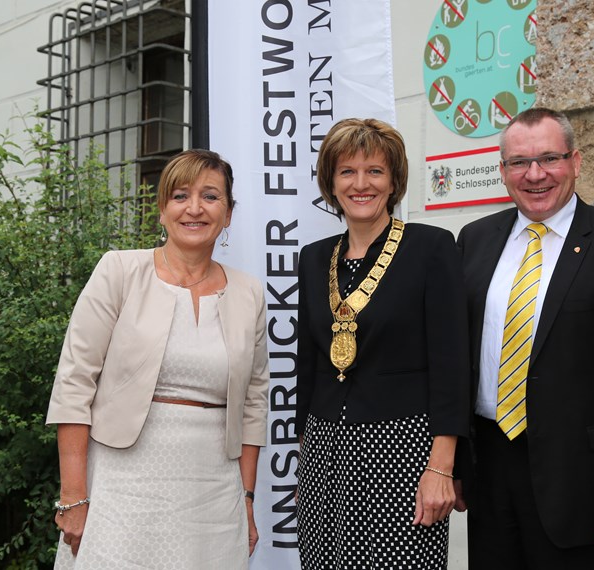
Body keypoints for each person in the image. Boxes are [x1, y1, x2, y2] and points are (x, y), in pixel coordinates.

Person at [455, 107, 594, 568]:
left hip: (579, 484)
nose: (535, 175)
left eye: (549, 158)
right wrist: (455, 464)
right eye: (519, 162)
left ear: (575, 161)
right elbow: (459, 361)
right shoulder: (474, 239)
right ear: (503, 171)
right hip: (490, 470)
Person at [45, 149, 269, 568]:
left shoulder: (249, 292)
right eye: (181, 195)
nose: (195, 209)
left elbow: (255, 402)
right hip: (121, 483)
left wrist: (246, 498)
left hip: (214, 491)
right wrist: (73, 495)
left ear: (229, 214)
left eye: (211, 197)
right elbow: (74, 384)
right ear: (162, 210)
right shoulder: (119, 271)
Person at [295, 118, 470, 569]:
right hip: (324, 449)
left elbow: (452, 363)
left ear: (393, 181)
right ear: (331, 183)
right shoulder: (314, 258)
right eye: (347, 171)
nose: (361, 184)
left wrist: (441, 467)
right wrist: (305, 459)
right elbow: (309, 364)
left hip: (403, 451)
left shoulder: (431, 247)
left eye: (374, 171)